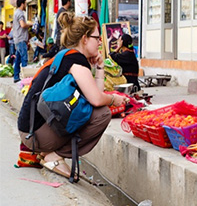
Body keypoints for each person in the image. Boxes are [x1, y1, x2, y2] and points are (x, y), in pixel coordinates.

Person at [17, 12, 128, 179]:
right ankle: (53, 154)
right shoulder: (77, 62)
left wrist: (99, 68)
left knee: (94, 110)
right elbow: (97, 100)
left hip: (29, 131)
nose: (100, 42)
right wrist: (114, 99)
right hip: (36, 135)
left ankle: (48, 151)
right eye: (96, 38)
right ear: (84, 39)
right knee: (103, 114)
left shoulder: (67, 56)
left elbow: (95, 96)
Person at [13, 0, 33, 83]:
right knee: (24, 59)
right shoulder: (20, 13)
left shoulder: (16, 12)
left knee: (18, 59)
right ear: (22, 4)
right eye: (25, 3)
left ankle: (16, 77)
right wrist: (30, 24)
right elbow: (23, 25)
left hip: (17, 39)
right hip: (21, 39)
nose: (26, 5)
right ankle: (26, 79)